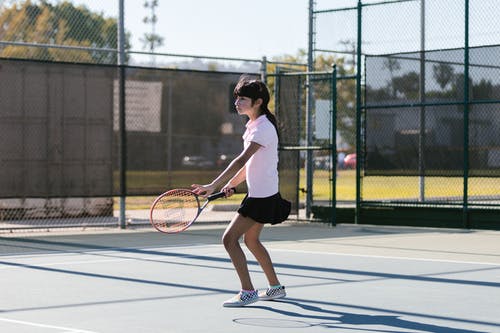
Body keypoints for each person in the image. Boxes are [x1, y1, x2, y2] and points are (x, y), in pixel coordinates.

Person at [191, 76, 291, 307]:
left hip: (262, 197)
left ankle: (247, 291)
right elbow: (249, 167)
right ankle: (275, 288)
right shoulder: (256, 125)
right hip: (263, 193)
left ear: (257, 102)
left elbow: (240, 160)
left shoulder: (263, 128)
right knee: (252, 241)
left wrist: (212, 185)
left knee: (229, 239)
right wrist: (233, 184)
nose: (236, 102)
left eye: (242, 98)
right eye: (236, 98)